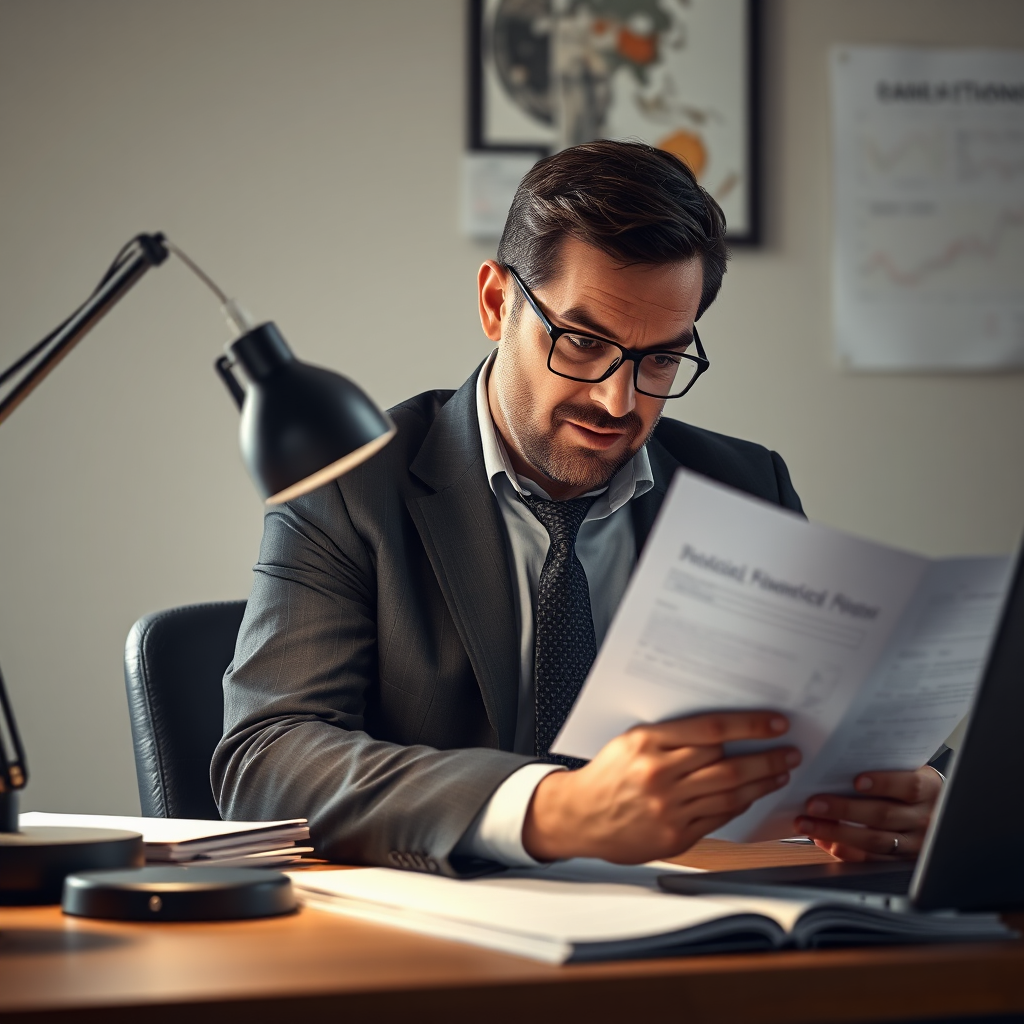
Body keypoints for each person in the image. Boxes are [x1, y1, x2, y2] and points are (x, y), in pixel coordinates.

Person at [213, 141, 941, 875]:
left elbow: (843, 718)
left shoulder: (747, 484)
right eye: (583, 342)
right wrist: (555, 809)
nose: (616, 400)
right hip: (447, 933)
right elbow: (265, 758)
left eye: (661, 359)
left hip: (700, 923)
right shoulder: (352, 486)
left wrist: (917, 791)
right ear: (497, 303)